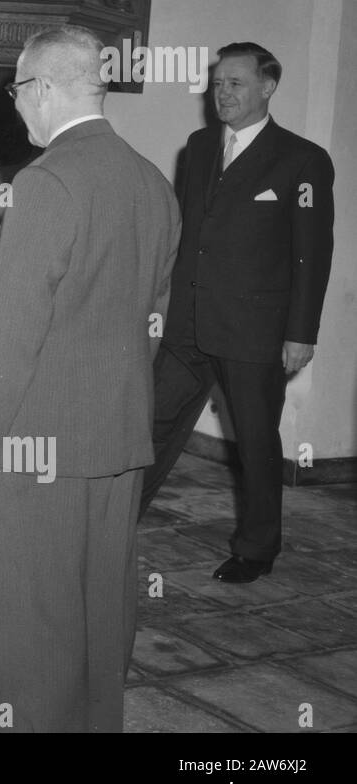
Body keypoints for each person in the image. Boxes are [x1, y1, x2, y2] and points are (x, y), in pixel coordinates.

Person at [0, 25, 180, 732]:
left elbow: (13, 330)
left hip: (34, 442)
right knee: (100, 622)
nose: (15, 109)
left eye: (18, 92)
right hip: (116, 436)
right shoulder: (151, 180)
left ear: (45, 88)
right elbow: (153, 320)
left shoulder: (43, 184)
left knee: (33, 626)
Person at [139, 43, 334, 582]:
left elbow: (311, 255)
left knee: (254, 442)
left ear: (267, 87)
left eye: (235, 83)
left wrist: (301, 334)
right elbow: (187, 237)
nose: (221, 93)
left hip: (255, 332)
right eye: (217, 83)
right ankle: (118, 518)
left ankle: (256, 548)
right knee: (149, 421)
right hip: (187, 324)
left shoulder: (302, 159)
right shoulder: (199, 147)